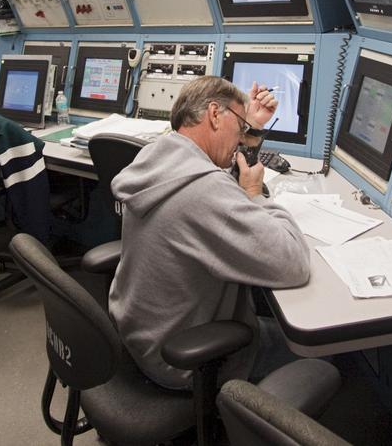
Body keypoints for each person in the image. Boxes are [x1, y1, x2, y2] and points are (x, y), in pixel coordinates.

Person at [108, 76, 310, 389]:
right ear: (215, 114)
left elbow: (221, 177)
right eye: (240, 126)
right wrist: (254, 194)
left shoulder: (157, 155)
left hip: (142, 335)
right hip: (183, 360)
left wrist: (251, 130)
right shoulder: (204, 191)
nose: (241, 139)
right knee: (314, 353)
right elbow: (293, 262)